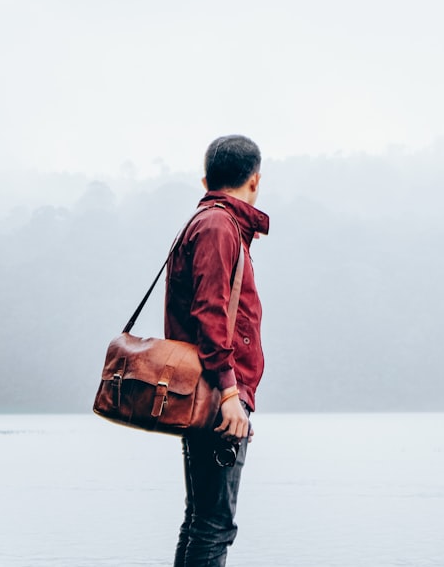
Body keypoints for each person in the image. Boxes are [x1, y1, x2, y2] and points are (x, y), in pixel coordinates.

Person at [164, 135, 270, 566]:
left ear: (207, 179)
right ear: (255, 180)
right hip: (215, 395)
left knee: (201, 521)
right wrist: (230, 395)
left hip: (208, 392)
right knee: (213, 526)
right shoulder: (218, 227)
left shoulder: (209, 222)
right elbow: (210, 313)